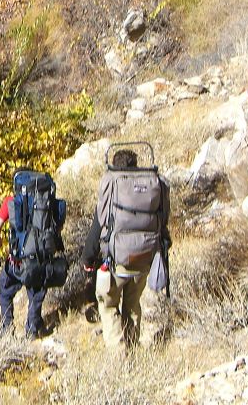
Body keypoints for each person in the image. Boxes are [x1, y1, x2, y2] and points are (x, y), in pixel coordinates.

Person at [81, 147, 170, 352]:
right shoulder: (151, 185)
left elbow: (97, 230)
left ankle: (119, 356)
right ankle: (132, 346)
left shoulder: (113, 190)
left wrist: (88, 260)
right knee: (132, 306)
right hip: (145, 260)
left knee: (108, 306)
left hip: (116, 262)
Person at [0, 169, 66, 339]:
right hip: (42, 259)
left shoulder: (11, 201)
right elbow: (57, 229)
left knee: (5, 288)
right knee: (36, 293)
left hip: (17, 260)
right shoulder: (50, 202)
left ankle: (6, 328)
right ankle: (32, 330)